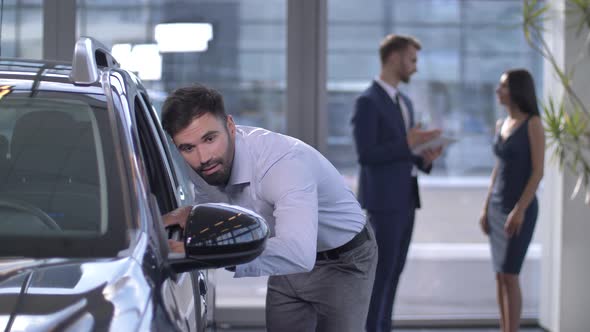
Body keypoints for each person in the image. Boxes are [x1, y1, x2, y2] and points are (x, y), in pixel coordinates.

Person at [160, 84, 377, 332]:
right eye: (187, 148)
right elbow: (212, 207)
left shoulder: (282, 164)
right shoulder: (205, 163)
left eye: (210, 139)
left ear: (230, 126)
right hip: (283, 255)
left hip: (343, 260)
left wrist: (199, 252)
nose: (202, 157)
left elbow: (298, 253)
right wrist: (192, 216)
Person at [351, 34, 443, 332]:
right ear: (393, 58)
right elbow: (366, 154)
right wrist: (408, 143)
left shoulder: (403, 101)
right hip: (383, 202)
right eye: (412, 60)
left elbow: (404, 153)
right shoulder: (368, 101)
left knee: (393, 275)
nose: (415, 67)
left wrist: (424, 158)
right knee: (380, 278)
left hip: (406, 199)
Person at [479, 69, 544, 332]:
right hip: (496, 207)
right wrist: (486, 207)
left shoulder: (533, 123)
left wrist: (519, 210)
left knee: (510, 273)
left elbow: (538, 171)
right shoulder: (501, 124)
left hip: (521, 209)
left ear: (517, 90)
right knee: (499, 276)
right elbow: (498, 168)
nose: (498, 90)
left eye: (503, 86)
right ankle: (504, 328)